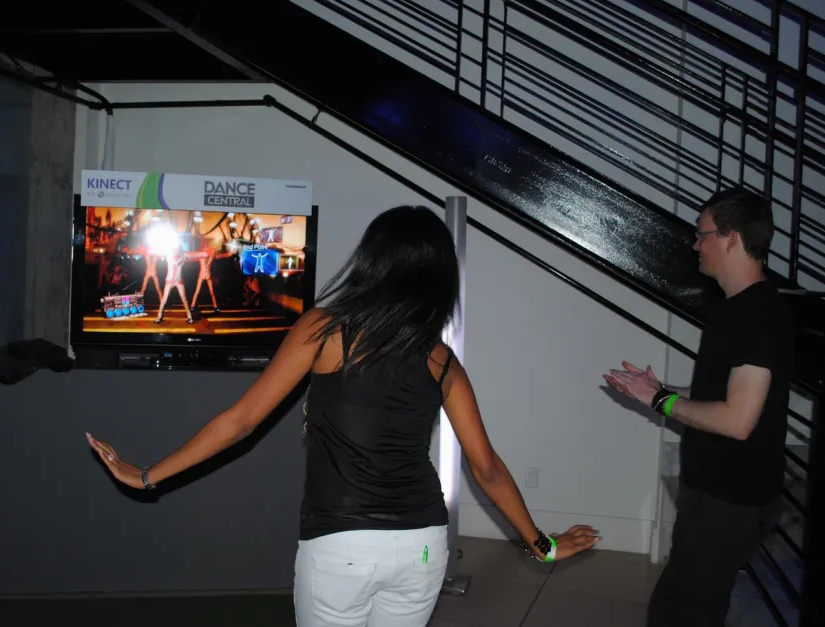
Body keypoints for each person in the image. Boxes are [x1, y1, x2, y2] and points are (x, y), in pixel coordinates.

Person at [87, 205, 600, 627]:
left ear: (371, 262)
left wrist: (148, 476)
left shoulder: (325, 330)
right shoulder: (442, 360)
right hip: (422, 549)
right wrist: (542, 545)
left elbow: (241, 423)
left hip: (341, 547)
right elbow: (486, 467)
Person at [603, 185, 795, 627]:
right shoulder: (737, 311)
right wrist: (658, 389)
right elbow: (721, 395)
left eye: (702, 234)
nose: (694, 245)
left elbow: (738, 420)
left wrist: (660, 400)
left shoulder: (756, 316)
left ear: (731, 238)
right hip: (716, 498)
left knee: (679, 614)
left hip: (729, 502)